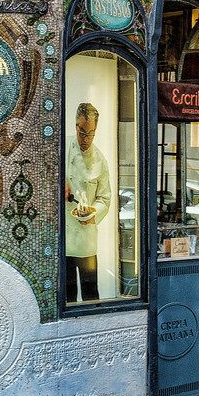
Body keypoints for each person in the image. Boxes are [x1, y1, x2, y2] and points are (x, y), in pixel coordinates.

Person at [65, 102, 111, 302]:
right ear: (76, 125)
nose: (86, 139)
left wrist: (92, 214)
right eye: (82, 132)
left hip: (87, 239)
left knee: (91, 295)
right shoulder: (62, 148)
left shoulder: (100, 160)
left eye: (91, 133)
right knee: (67, 296)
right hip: (64, 239)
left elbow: (105, 198)